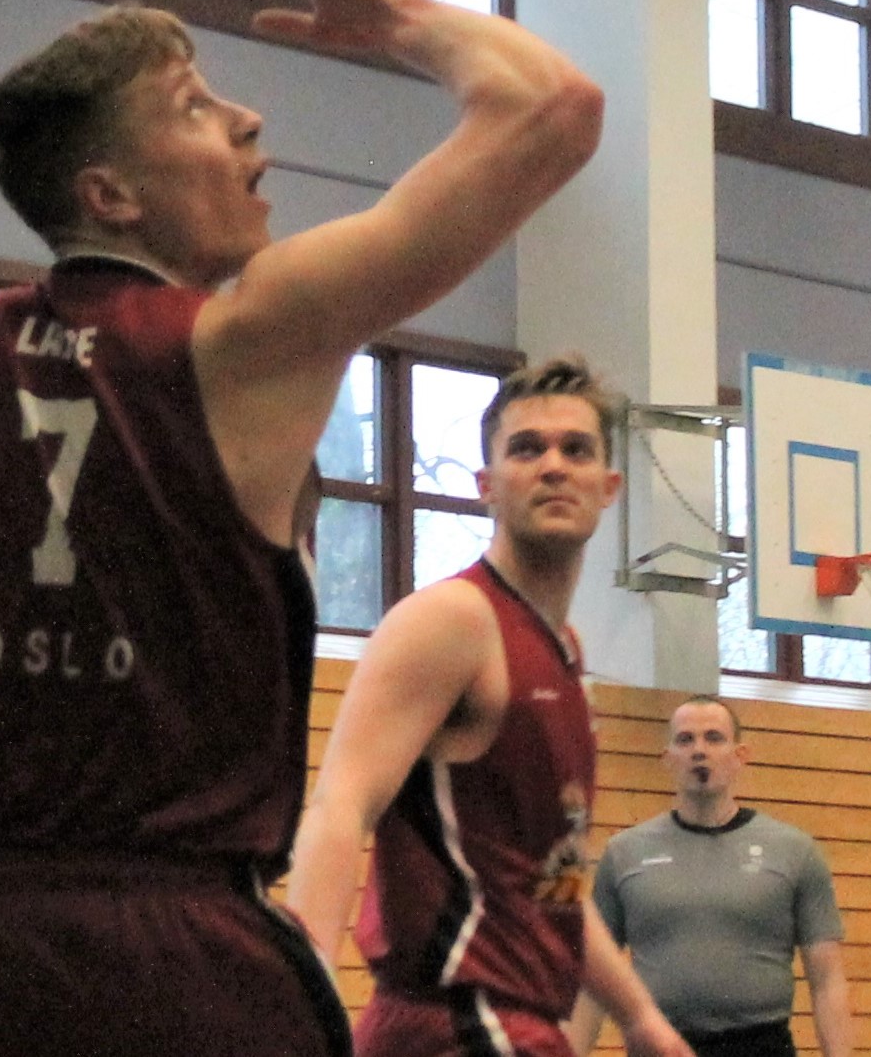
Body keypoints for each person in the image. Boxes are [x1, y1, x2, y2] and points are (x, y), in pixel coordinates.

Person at [0, 0, 606, 1057]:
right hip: (174, 950)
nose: (246, 122)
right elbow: (554, 107)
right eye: (196, 107)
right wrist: (401, 13)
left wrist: (7, 755)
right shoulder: (243, 341)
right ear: (110, 193)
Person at [285, 359, 694, 1057]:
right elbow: (338, 806)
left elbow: (550, 879)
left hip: (521, 1024)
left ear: (609, 488)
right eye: (526, 449)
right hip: (457, 1023)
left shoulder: (563, 653)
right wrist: (297, 1009)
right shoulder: (452, 623)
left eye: (576, 449)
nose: (554, 466)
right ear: (487, 488)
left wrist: (640, 1017)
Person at [565, 697, 853, 1057]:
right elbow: (592, 983)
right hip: (659, 1044)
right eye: (685, 740)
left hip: (760, 1045)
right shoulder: (624, 854)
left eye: (714, 738)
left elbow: (826, 980)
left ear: (740, 754)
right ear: (667, 757)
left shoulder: (794, 851)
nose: (699, 750)